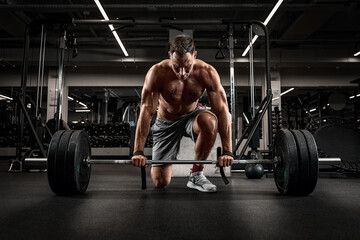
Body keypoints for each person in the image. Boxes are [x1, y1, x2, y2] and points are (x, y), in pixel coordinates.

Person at [132, 34, 234, 193]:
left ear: (195, 55)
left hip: (191, 117)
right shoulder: (157, 73)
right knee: (161, 182)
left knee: (209, 121)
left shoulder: (207, 72)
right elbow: (146, 111)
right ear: (169, 56)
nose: (182, 72)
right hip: (165, 122)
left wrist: (227, 151)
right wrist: (138, 151)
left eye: (187, 66)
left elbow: (222, 111)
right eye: (176, 66)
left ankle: (196, 174)